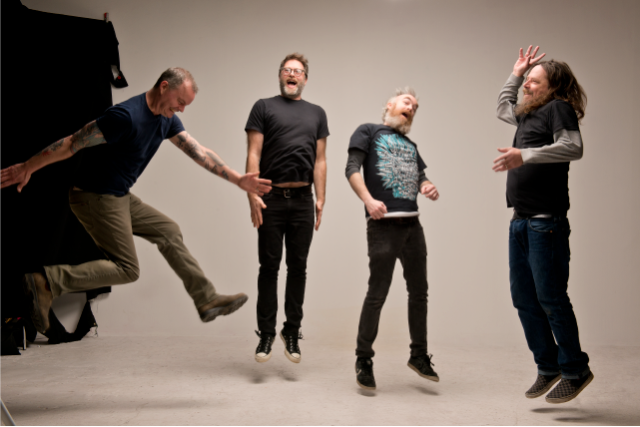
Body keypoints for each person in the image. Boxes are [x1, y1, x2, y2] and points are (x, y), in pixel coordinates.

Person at [0, 67, 271, 334]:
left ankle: (206, 298)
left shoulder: (166, 118)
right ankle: (46, 282)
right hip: (92, 196)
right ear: (164, 87)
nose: (181, 109)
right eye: (180, 101)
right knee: (128, 269)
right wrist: (27, 167)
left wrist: (238, 179)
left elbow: (198, 151)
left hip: (119, 195)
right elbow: (73, 142)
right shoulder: (125, 117)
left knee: (168, 231)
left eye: (185, 105)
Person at [494, 46, 593, 404]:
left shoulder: (557, 108)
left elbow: (573, 147)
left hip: (545, 223)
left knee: (550, 298)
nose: (527, 87)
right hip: (520, 222)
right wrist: (517, 72)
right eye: (527, 82)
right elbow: (502, 107)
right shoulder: (527, 114)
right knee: (524, 299)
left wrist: (525, 155)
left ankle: (575, 370)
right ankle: (548, 367)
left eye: (534, 82)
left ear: (553, 87)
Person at [345, 87, 439, 390]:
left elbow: (421, 176)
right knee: (377, 294)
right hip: (382, 225)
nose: (412, 108)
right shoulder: (368, 131)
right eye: (407, 102)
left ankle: (419, 355)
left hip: (413, 226)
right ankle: (363, 359)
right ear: (389, 105)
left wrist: (427, 185)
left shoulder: (410, 145)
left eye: (416, 107)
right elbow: (351, 169)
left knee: (419, 293)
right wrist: (368, 200)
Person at [245, 53, 328, 364]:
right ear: (280, 75)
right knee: (269, 268)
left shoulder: (317, 113)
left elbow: (320, 160)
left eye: (298, 71)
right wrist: (252, 194)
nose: (292, 74)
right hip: (271, 198)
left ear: (305, 78)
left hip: (304, 200)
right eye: (287, 70)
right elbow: (253, 154)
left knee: (298, 267)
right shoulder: (263, 107)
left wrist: (321, 197)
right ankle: (266, 333)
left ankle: (291, 331)